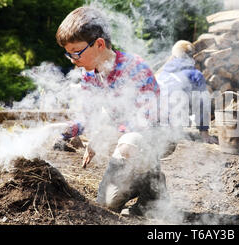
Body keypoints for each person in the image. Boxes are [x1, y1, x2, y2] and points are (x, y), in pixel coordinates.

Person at [55, 6, 166, 214]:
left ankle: (154, 191)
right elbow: (89, 115)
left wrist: (104, 136)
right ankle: (137, 182)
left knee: (130, 143)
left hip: (156, 134)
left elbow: (147, 120)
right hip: (125, 137)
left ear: (99, 44)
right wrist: (67, 130)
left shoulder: (135, 68)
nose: (73, 60)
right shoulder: (89, 74)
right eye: (69, 54)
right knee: (107, 204)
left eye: (76, 53)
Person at [156, 40, 216, 144]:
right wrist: (204, 133)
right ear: (192, 57)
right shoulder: (195, 74)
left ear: (173, 56)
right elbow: (201, 103)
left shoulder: (162, 74)